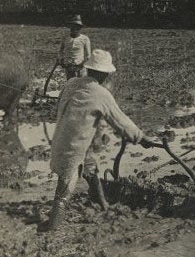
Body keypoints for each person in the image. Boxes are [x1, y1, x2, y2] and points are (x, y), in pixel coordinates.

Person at [40, 49, 157, 233]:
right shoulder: (100, 93)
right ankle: (50, 233)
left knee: (90, 168)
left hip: (62, 141)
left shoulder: (71, 83)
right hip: (72, 150)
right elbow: (121, 121)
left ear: (88, 69)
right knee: (62, 194)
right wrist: (141, 138)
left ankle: (104, 207)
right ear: (104, 74)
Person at [58, 15, 91, 79]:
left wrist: (82, 64)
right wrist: (61, 60)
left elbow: (88, 55)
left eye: (76, 27)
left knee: (82, 85)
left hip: (80, 67)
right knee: (71, 85)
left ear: (79, 28)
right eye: (72, 26)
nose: (74, 29)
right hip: (69, 67)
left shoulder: (85, 39)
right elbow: (61, 51)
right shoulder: (65, 38)